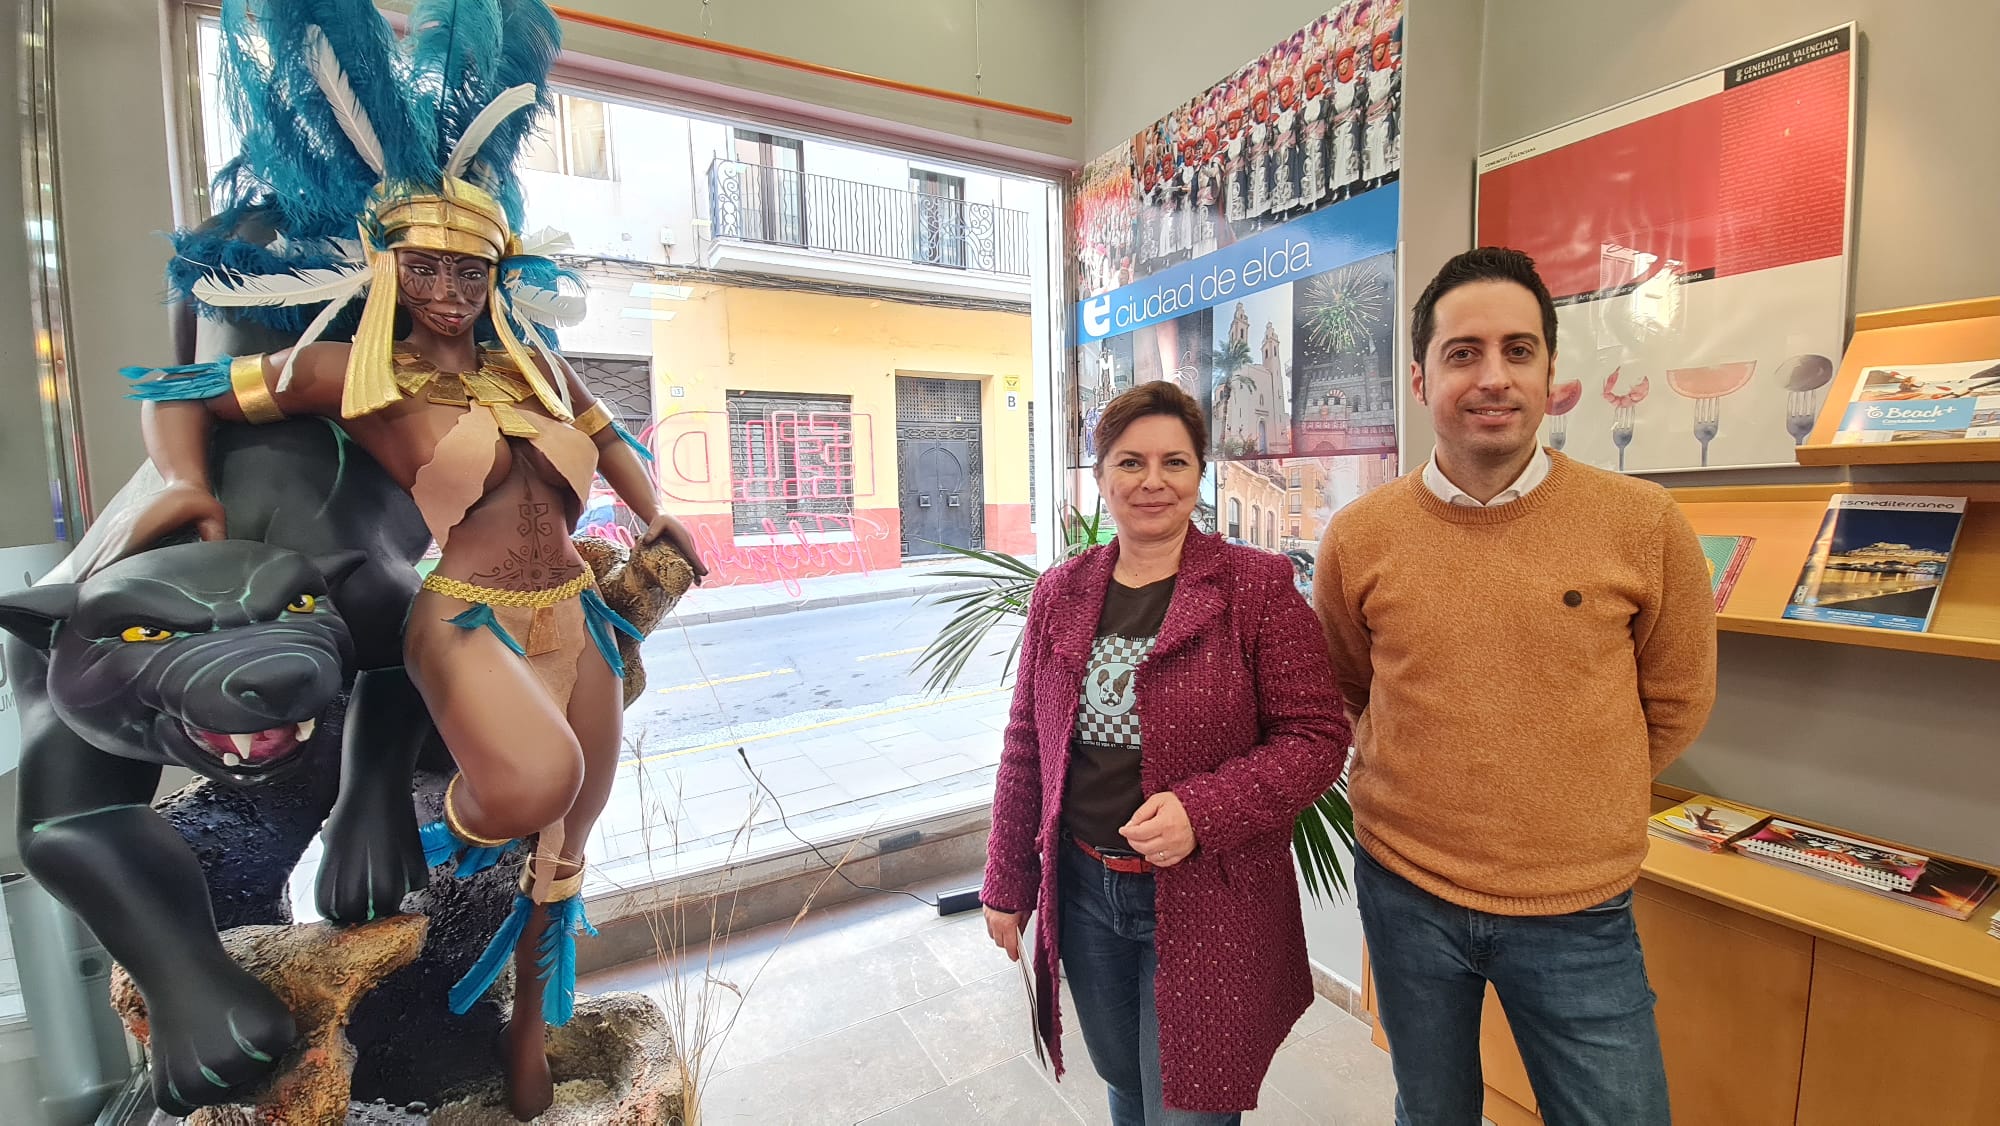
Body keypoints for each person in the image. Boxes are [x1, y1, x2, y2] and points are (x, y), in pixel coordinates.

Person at [113, 1, 703, 1118]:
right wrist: (187, 485)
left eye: (470, 271)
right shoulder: (359, 373)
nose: (450, 290)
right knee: (532, 786)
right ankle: (418, 844)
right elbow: (182, 388)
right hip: (463, 614)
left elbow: (609, 432)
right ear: (391, 267)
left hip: (574, 615)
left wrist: (656, 516)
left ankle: (526, 1052)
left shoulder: (531, 368)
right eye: (427, 267)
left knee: (563, 857)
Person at [1312, 247, 1716, 1126]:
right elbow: (1350, 686)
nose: (1493, 377)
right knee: (1432, 1112)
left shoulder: (1644, 524)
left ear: (1550, 373)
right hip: (1404, 887)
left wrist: (1571, 793)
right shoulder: (1360, 536)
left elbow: (1678, 699)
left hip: (1577, 906)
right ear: (1420, 378)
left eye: (1518, 351)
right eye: (1463, 353)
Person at [983, 381, 1351, 1125]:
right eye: (1130, 462)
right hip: (1085, 889)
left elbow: (1316, 736)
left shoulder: (1255, 588)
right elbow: (1027, 742)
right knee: (1124, 1082)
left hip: (1209, 895)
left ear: (1199, 473)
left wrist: (1201, 811)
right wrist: (1007, 877)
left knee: (1190, 1104)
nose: (1152, 481)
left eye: (1174, 462)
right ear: (1100, 476)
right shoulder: (1060, 592)